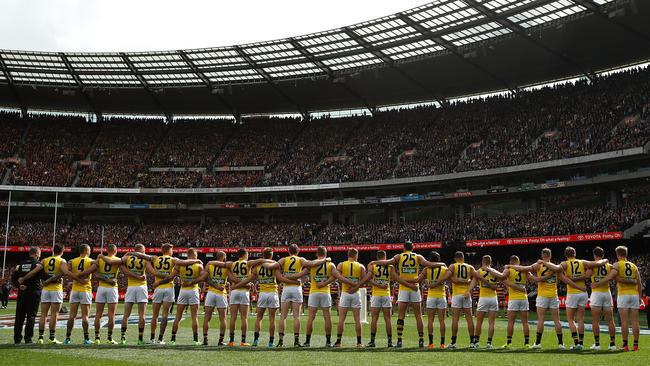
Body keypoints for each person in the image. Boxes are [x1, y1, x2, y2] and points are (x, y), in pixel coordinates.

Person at [369, 240, 443, 348]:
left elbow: (387, 262)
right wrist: (442, 263)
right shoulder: (418, 257)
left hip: (403, 288)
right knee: (418, 315)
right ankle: (421, 340)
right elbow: (430, 264)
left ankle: (399, 340)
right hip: (415, 288)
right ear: (413, 248)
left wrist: (375, 262)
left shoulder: (399, 256)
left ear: (403, 248)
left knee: (401, 315)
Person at [265, 244, 328, 347]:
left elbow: (274, 268)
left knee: (283, 316)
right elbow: (311, 264)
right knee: (296, 317)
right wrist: (325, 260)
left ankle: (280, 341)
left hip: (286, 288)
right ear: (297, 251)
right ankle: (296, 341)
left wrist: (264, 262)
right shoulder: (300, 259)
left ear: (288, 251)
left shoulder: (284, 259)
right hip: (296, 289)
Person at [235, 247, 299, 348]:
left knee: (259, 318)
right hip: (272, 293)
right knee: (272, 319)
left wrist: (237, 285)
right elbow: (280, 278)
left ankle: (256, 340)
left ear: (263, 255)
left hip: (262, 294)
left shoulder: (257, 266)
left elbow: (249, 279)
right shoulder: (274, 264)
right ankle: (270, 342)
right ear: (271, 255)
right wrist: (294, 282)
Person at [507, 248, 565, 350]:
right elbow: (561, 275)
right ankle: (561, 344)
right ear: (550, 256)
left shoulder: (538, 265)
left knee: (541, 320)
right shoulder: (555, 267)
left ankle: (538, 343)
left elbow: (525, 269)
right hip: (553, 295)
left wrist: (510, 266)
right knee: (557, 320)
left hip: (542, 296)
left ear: (542, 256)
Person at [19, 243, 78, 344]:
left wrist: (24, 278)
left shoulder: (44, 260)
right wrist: (77, 278)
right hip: (56, 289)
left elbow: (34, 271)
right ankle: (51, 338)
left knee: (43, 314)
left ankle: (40, 338)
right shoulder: (62, 260)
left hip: (45, 290)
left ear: (53, 250)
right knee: (54, 314)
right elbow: (66, 272)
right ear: (62, 251)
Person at [147, 244, 202, 344]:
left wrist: (158, 281)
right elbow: (203, 277)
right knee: (192, 316)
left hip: (164, 289)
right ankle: (161, 339)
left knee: (157, 315)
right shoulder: (175, 260)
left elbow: (170, 275)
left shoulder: (156, 258)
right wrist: (197, 261)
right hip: (175, 288)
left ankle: (159, 339)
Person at [101, 243, 152, 345]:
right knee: (142, 315)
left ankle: (123, 338)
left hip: (131, 287)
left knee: (126, 315)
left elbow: (119, 264)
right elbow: (151, 271)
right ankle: (140, 339)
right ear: (142, 251)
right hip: (142, 287)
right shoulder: (145, 260)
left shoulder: (127, 258)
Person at [300, 246, 350, 348]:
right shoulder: (330, 264)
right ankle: (328, 342)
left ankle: (307, 341)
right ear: (326, 254)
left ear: (316, 254)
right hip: (325, 292)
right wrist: (325, 283)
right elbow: (336, 276)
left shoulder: (312, 263)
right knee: (327, 317)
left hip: (313, 292)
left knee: (311, 318)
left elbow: (303, 273)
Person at [599, 245, 642, 351]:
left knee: (624, 321)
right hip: (634, 294)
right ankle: (635, 345)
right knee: (635, 321)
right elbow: (639, 283)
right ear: (626, 254)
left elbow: (610, 276)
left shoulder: (617, 264)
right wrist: (639, 297)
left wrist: (598, 283)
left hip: (623, 294)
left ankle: (625, 345)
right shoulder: (633, 266)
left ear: (618, 255)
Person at [483, 255, 530, 349]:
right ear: (518, 262)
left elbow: (501, 277)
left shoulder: (508, 269)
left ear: (510, 262)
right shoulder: (524, 269)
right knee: (525, 322)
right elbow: (533, 279)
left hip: (513, 299)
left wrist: (489, 269)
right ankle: (527, 343)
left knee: (511, 322)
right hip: (523, 298)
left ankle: (509, 343)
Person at [84, 244, 120, 345]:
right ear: (115, 251)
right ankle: (109, 338)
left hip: (101, 288)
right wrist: (110, 280)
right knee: (111, 315)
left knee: (98, 314)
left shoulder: (100, 260)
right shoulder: (118, 259)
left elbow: (95, 274)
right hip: (112, 288)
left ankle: (97, 338)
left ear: (107, 250)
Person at [558, 246, 591, 350]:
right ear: (575, 254)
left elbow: (558, 272)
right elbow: (590, 269)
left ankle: (576, 343)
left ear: (565, 255)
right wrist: (581, 277)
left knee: (570, 320)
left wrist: (572, 278)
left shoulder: (564, 264)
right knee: (580, 319)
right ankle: (581, 343)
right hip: (583, 293)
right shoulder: (582, 262)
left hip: (573, 293)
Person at [415, 251, 450, 349]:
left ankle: (431, 343)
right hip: (441, 296)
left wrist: (427, 283)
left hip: (431, 296)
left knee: (430, 320)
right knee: (442, 321)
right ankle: (442, 344)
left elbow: (419, 279)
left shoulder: (427, 269)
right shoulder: (444, 268)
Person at [333, 248, 366, 348]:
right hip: (355, 294)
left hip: (345, 293)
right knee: (357, 319)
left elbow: (337, 275)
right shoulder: (361, 266)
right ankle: (359, 343)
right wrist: (355, 286)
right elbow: (364, 281)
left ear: (348, 255)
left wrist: (347, 282)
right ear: (356, 255)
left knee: (341, 319)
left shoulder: (341, 264)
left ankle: (338, 342)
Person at [585, 246, 617, 350]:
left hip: (596, 293)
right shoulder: (609, 266)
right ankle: (612, 344)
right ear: (603, 255)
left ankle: (597, 344)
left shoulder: (592, 266)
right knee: (610, 321)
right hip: (607, 293)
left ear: (594, 255)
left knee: (595, 321)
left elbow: (587, 276)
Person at [363, 250, 397, 348]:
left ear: (377, 257)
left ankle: (372, 341)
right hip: (386, 294)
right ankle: (390, 342)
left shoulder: (372, 265)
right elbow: (395, 278)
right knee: (388, 319)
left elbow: (368, 279)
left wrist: (377, 284)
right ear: (385, 257)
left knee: (374, 319)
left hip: (376, 295)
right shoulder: (390, 266)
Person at [64, 244, 95, 345]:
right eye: (89, 250)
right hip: (85, 289)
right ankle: (86, 339)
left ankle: (67, 338)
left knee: (71, 315)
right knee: (85, 316)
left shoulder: (72, 261)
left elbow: (66, 272)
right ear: (86, 251)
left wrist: (74, 280)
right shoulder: (91, 261)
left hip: (75, 290)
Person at [11, 246, 42, 344]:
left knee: (19, 316)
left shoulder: (20, 265)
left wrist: (19, 286)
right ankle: (28, 339)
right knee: (31, 316)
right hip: (34, 293)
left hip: (22, 293)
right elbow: (44, 277)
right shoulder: (38, 264)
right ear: (37, 254)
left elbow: (13, 279)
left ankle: (17, 339)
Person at [199, 251, 229, 346]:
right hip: (221, 293)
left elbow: (205, 278)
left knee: (207, 318)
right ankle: (220, 341)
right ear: (224, 258)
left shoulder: (210, 265)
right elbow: (232, 278)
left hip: (211, 293)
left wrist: (214, 285)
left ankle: (205, 340)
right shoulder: (226, 267)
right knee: (223, 318)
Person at [448, 251, 476, 349]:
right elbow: (475, 278)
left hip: (456, 295)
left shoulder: (452, 266)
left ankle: (453, 343)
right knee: (469, 319)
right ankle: (472, 342)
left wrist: (461, 281)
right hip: (466, 295)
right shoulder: (470, 267)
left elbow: (453, 280)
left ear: (455, 258)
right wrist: (468, 287)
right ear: (463, 258)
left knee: (455, 319)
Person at [473, 255, 498, 349]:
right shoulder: (495, 271)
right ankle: (489, 343)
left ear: (482, 262)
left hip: (483, 298)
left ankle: (476, 342)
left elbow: (473, 282)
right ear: (491, 262)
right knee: (492, 322)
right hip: (493, 298)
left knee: (479, 322)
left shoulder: (479, 271)